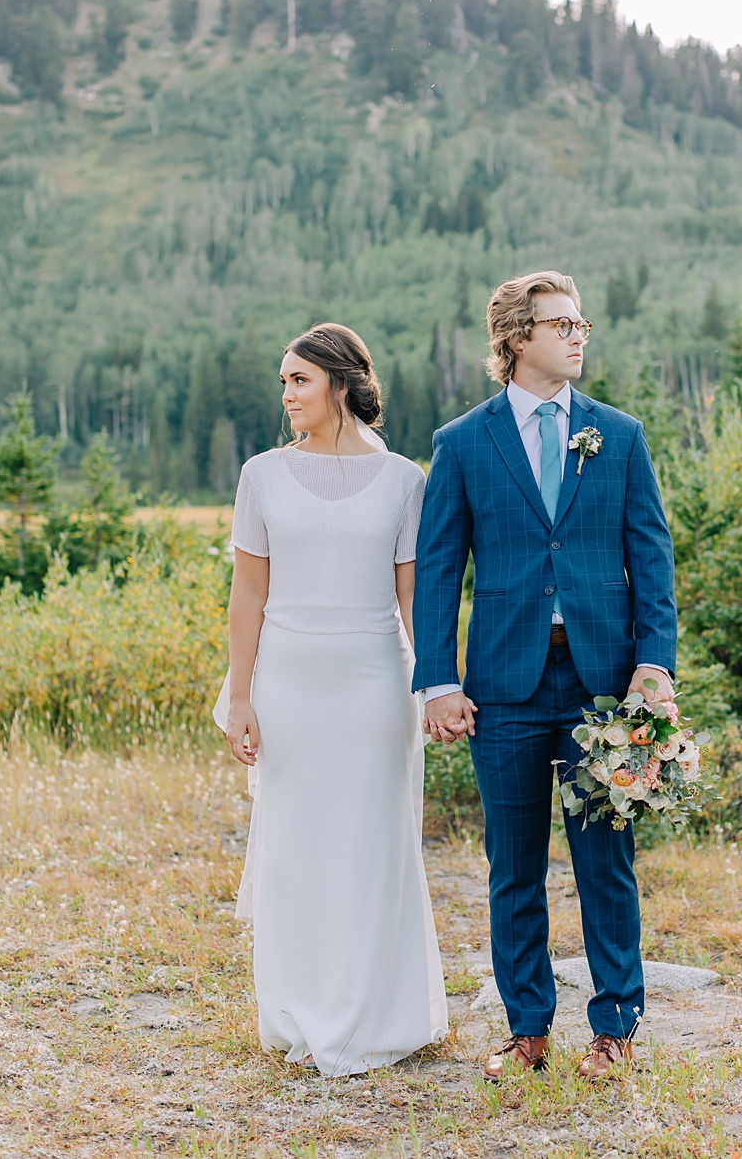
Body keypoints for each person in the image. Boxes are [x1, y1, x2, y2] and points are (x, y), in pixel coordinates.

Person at [412, 271, 677, 1081]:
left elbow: (651, 558)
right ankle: (527, 1029)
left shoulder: (619, 435)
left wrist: (654, 664)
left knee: (606, 863)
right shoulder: (463, 442)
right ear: (516, 339)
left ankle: (615, 1029)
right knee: (515, 867)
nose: (577, 336)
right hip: (503, 684)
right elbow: (437, 569)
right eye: (561, 324)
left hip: (604, 687)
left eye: (581, 324)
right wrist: (438, 680)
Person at [213, 324, 447, 1076]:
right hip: (287, 684)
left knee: (372, 844)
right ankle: (297, 1009)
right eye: (283, 381)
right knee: (295, 850)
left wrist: (438, 685)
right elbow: (248, 594)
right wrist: (240, 697)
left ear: (340, 385)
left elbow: (414, 599)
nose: (286, 394)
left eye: (299, 380)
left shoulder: (405, 481)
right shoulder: (261, 475)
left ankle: (377, 1013)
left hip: (375, 683)